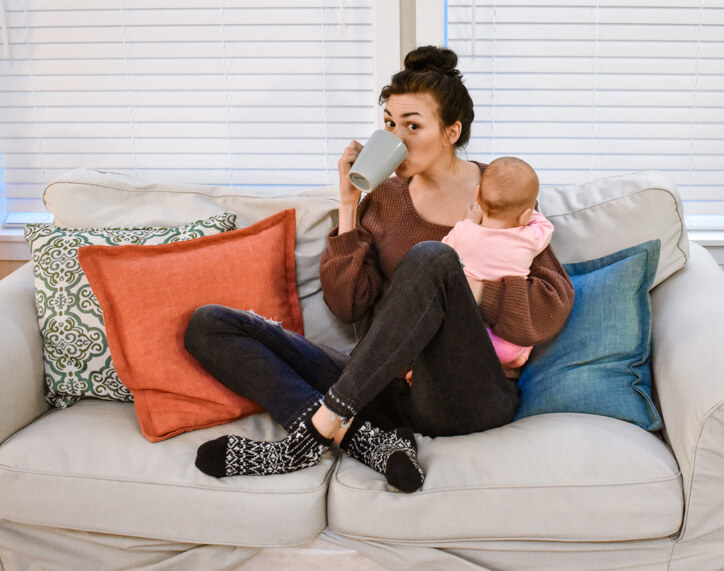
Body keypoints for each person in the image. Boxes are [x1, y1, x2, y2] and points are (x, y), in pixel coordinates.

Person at [184, 46, 574, 494]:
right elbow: (347, 307)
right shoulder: (386, 199)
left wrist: (463, 288)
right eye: (390, 125)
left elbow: (550, 309)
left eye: (413, 125)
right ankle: (364, 440)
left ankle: (310, 436)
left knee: (434, 258)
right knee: (208, 324)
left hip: (466, 395)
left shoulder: (502, 192)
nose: (396, 138)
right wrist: (349, 205)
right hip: (378, 390)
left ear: (451, 131)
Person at [441, 156, 554, 373]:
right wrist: (526, 213)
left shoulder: (464, 232)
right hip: (506, 343)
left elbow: (441, 253)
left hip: (467, 332)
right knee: (521, 341)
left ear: (477, 196)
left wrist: (470, 222)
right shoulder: (527, 239)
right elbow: (545, 226)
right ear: (526, 215)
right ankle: (519, 356)